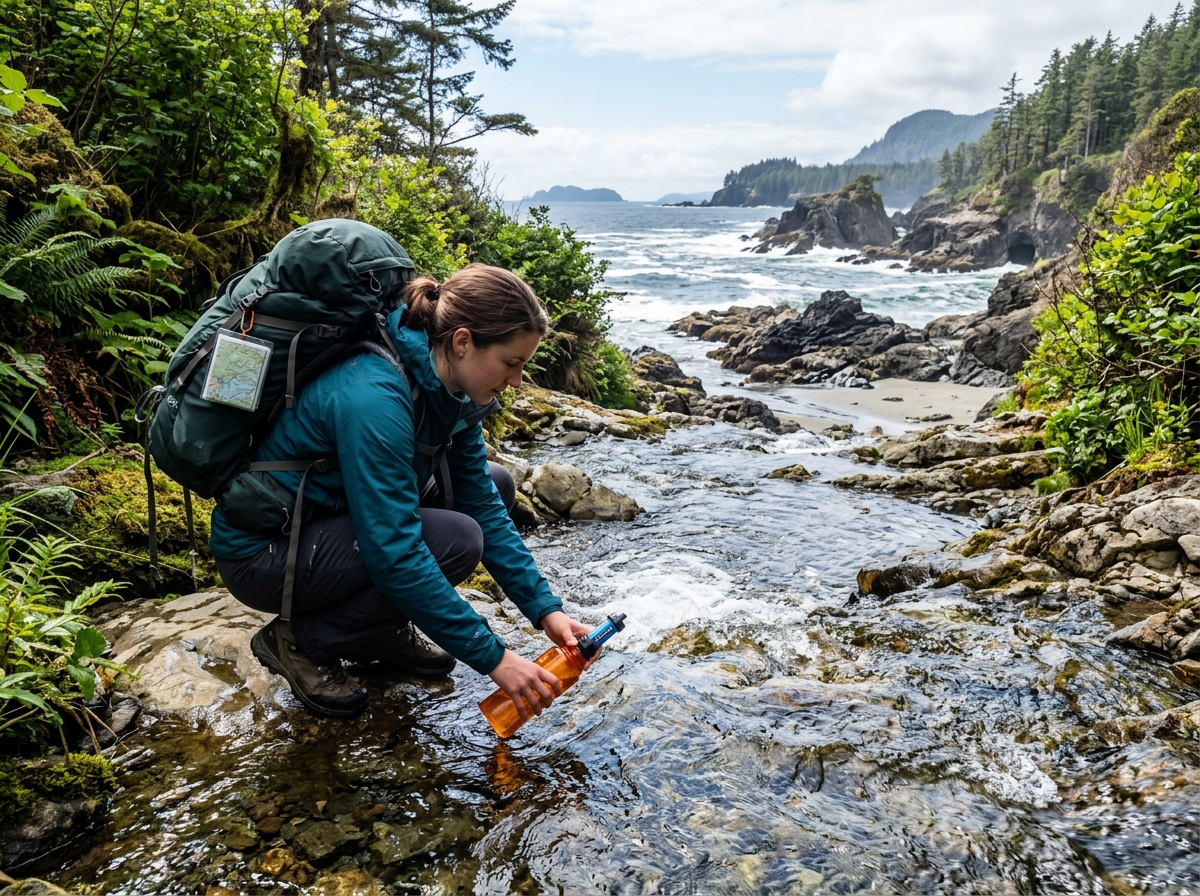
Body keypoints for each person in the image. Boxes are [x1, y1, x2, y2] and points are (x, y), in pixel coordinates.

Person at [210, 264, 596, 720]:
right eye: (511, 363)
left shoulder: (450, 391)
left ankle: (375, 629)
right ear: (462, 341)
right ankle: (300, 642)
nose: (515, 381)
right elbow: (395, 552)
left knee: (496, 483)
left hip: (329, 524)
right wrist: (494, 658)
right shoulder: (375, 397)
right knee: (456, 541)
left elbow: (483, 506)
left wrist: (544, 609)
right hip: (264, 554)